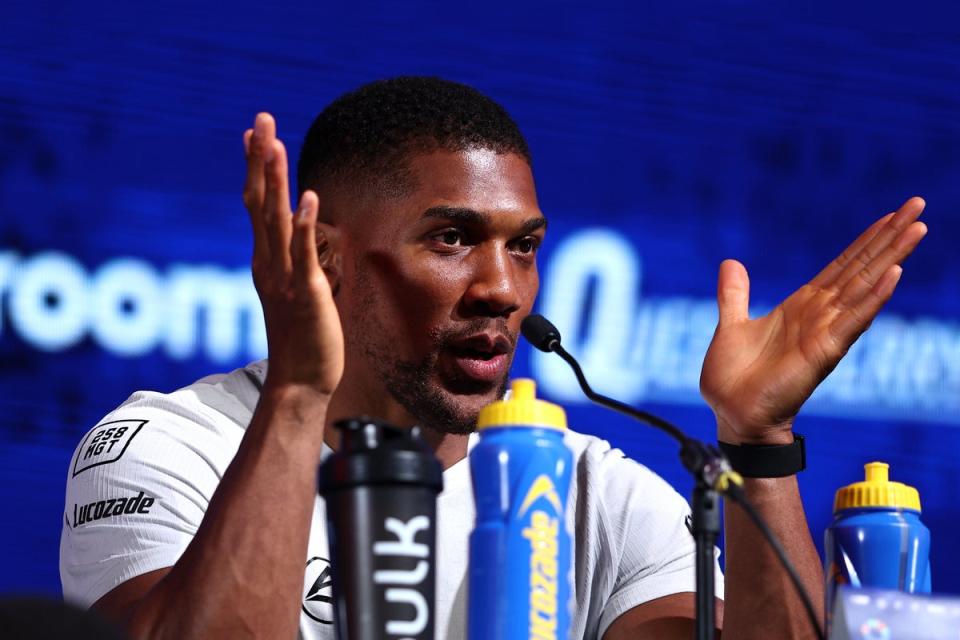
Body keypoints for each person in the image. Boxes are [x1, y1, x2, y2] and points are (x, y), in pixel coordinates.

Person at [60, 76, 927, 639]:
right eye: (451, 239)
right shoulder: (164, 446)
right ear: (323, 257)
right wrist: (296, 395)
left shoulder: (590, 488)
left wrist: (758, 441)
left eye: (524, 246)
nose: (502, 290)